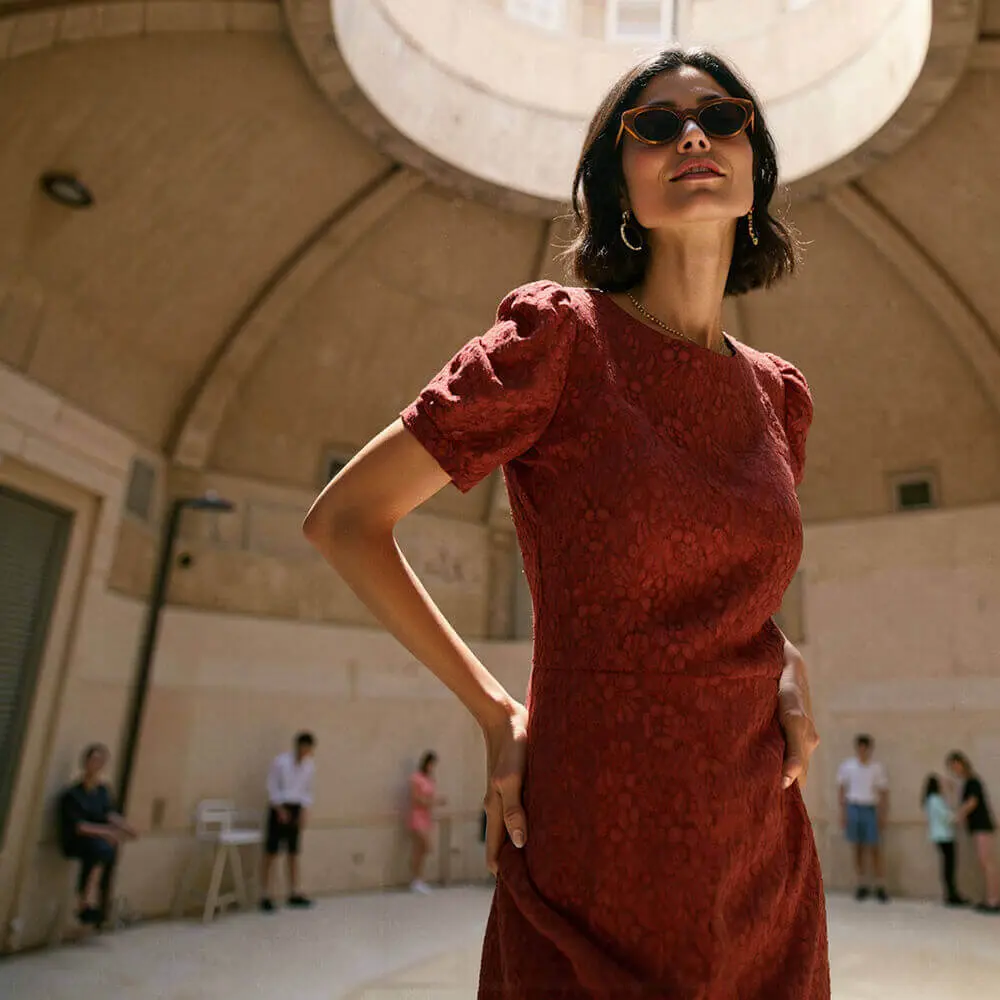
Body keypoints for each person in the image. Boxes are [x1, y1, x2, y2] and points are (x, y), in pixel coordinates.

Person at [304, 46, 828, 999]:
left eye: (722, 116)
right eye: (656, 126)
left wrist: (784, 658)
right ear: (616, 189)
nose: (694, 134)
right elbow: (345, 520)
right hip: (600, 837)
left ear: (757, 170)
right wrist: (494, 710)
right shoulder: (560, 346)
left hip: (761, 846)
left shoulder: (778, 398)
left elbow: (737, 580)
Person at [58, 744, 137, 925]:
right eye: (93, 760)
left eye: (100, 761)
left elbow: (108, 813)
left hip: (97, 842)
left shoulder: (102, 791)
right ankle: (85, 899)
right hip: (76, 841)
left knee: (105, 849)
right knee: (100, 848)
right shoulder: (73, 794)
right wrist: (106, 832)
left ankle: (90, 898)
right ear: (85, 763)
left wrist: (126, 827)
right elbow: (79, 827)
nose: (96, 764)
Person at [260, 731, 316, 912]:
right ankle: (265, 894)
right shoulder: (281, 762)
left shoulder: (309, 766)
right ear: (297, 746)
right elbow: (271, 785)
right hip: (279, 807)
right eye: (303, 748)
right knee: (272, 852)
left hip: (296, 807)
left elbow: (307, 789)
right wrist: (278, 808)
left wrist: (304, 811)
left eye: (308, 749)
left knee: (293, 852)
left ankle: (293, 892)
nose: (305, 752)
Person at [837, 734, 890, 902]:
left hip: (870, 808)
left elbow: (883, 792)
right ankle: (861, 884)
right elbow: (842, 790)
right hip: (853, 806)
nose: (862, 751)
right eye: (860, 747)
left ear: (870, 749)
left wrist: (882, 815)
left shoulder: (877, 768)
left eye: (865, 747)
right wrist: (843, 813)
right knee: (858, 847)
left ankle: (880, 885)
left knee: (875, 847)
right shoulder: (848, 766)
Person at [946, 751, 1000, 913]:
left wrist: (958, 815)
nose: (954, 769)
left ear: (962, 763)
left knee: (987, 862)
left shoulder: (973, 781)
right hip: (977, 827)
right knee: (984, 863)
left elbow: (972, 802)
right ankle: (991, 898)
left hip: (982, 826)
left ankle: (994, 901)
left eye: (955, 764)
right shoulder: (967, 783)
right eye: (951, 766)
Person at [922, 774, 966, 906]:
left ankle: (950, 893)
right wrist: (959, 815)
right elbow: (947, 816)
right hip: (944, 836)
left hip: (939, 836)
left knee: (947, 865)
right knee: (949, 865)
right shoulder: (935, 800)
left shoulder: (930, 800)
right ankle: (951, 895)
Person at [407, 751, 447, 894]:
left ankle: (417, 879)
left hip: (426, 817)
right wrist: (435, 802)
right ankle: (416, 879)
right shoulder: (416, 779)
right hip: (417, 816)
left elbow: (429, 797)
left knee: (421, 849)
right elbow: (417, 799)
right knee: (424, 846)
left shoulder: (429, 780)